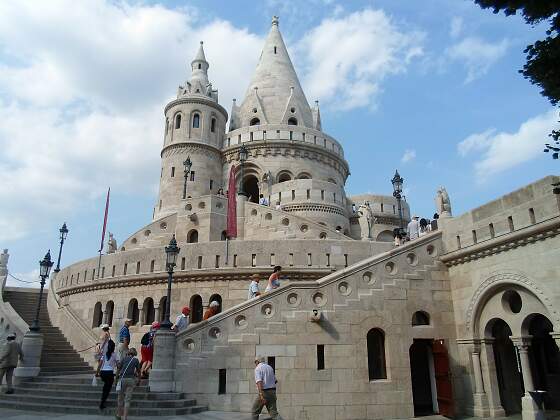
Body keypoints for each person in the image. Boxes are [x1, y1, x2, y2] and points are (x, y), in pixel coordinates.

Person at [116, 347, 141, 420]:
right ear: (134, 354)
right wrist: (139, 380)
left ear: (128, 353)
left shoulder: (124, 358)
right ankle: (125, 418)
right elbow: (139, 371)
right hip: (131, 380)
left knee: (120, 398)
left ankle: (118, 415)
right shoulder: (136, 360)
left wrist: (116, 378)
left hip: (122, 379)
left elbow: (119, 369)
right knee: (127, 399)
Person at [96, 339, 117, 410]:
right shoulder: (114, 355)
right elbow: (118, 364)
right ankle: (102, 402)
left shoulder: (104, 354)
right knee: (107, 388)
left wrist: (97, 373)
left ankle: (103, 400)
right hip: (109, 373)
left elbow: (100, 364)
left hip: (103, 373)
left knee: (105, 386)